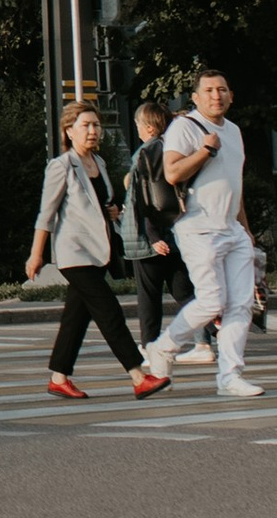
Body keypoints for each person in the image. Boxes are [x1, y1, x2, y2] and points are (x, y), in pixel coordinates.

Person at [142, 70, 263, 399]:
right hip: (197, 226)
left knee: (240, 305)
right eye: (208, 90)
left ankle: (230, 376)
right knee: (212, 301)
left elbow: (234, 186)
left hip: (232, 228)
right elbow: (172, 172)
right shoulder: (185, 127)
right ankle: (164, 346)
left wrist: (247, 231)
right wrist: (205, 151)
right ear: (195, 97)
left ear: (231, 95)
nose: (216, 96)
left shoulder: (235, 131)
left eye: (222, 90)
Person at [25, 108, 160, 399]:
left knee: (75, 318)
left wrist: (114, 210)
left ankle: (59, 378)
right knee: (109, 311)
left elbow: (102, 204)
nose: (93, 130)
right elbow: (46, 215)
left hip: (98, 252)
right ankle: (138, 376)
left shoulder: (97, 161)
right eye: (85, 125)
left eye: (96, 125)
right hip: (74, 254)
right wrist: (36, 255)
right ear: (69, 131)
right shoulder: (61, 166)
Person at [122, 103, 179, 356]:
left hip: (148, 237)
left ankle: (149, 345)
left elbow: (144, 200)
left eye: (137, 125)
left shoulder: (145, 153)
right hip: (175, 234)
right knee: (185, 291)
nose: (137, 129)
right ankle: (208, 336)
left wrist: (152, 236)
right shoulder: (173, 149)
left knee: (148, 297)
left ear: (148, 127)